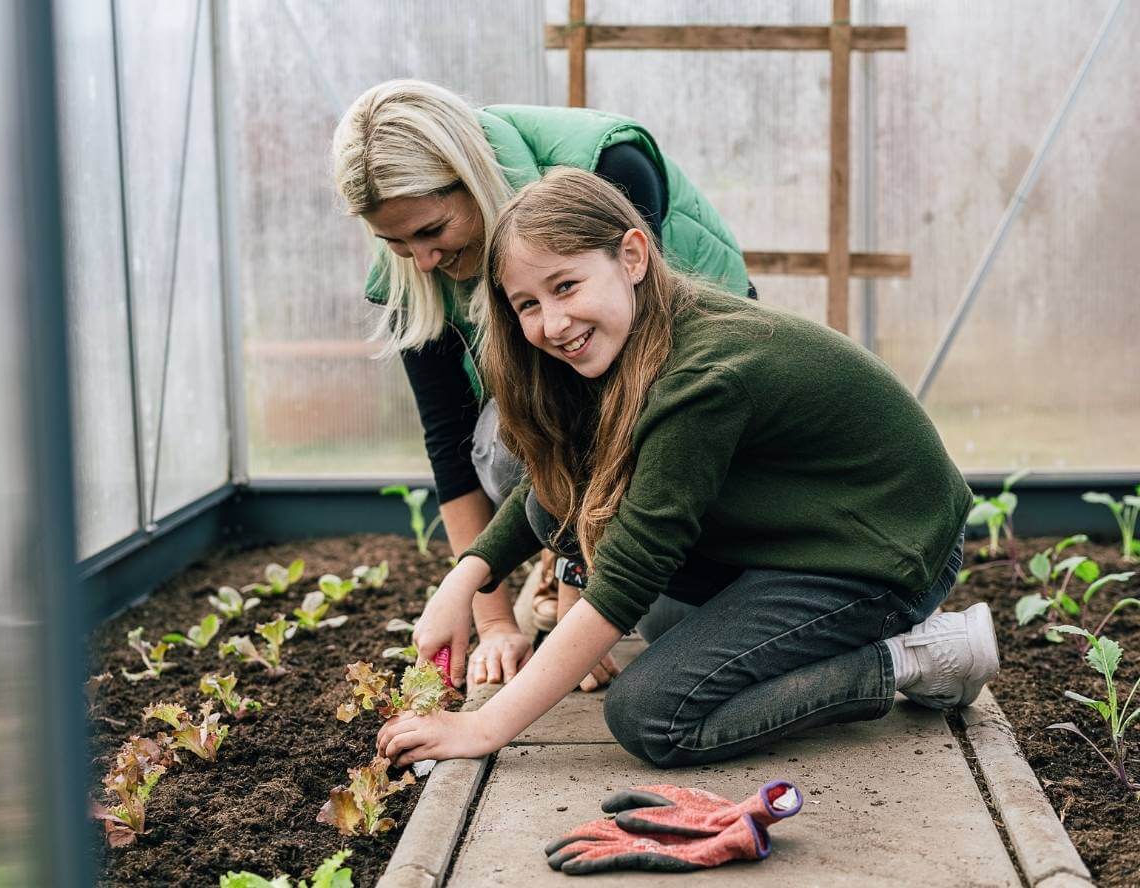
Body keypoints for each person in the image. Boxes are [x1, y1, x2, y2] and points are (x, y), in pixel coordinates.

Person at [375, 167, 999, 769]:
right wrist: (464, 581)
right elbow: (555, 489)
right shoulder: (631, 335)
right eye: (528, 304)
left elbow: (628, 575)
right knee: (571, 526)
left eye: (565, 286)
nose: (554, 323)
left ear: (632, 257)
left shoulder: (700, 379)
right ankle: (817, 638)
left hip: (883, 554)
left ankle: (910, 658)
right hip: (809, 531)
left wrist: (482, 727)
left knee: (654, 714)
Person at [331, 79, 755, 691]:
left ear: (471, 177)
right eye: (392, 241)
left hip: (686, 386)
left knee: (680, 613)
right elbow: (449, 440)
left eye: (430, 231)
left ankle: (569, 565)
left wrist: (578, 600)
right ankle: (565, 559)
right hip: (573, 398)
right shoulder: (409, 267)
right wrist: (495, 623)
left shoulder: (609, 164)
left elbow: (625, 390)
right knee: (504, 446)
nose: (420, 260)